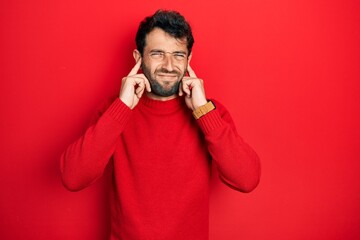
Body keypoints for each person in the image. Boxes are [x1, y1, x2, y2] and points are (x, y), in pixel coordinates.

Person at [60, 9, 260, 240]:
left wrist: (203, 111)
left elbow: (247, 179)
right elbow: (73, 177)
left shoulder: (208, 111)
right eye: (157, 53)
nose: (169, 65)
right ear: (138, 57)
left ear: (189, 60)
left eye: (178, 55)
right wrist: (122, 107)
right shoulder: (115, 110)